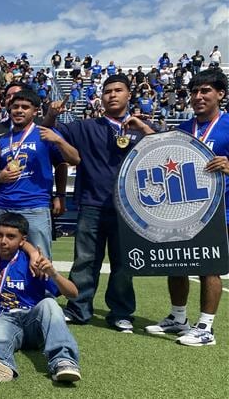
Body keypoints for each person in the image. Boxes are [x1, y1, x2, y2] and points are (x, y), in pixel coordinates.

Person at [46, 73, 155, 332]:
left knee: (123, 262)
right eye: (108, 91)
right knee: (85, 260)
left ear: (129, 95)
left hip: (129, 208)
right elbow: (48, 131)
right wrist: (51, 113)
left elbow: (164, 151)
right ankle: (78, 308)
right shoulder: (86, 127)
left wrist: (146, 130)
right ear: (101, 97)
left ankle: (121, 312)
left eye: (118, 90)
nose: (113, 95)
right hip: (91, 203)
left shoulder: (142, 128)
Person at [144, 69, 228, 346]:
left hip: (218, 211)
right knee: (176, 261)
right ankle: (179, 318)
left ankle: (206, 327)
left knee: (209, 267)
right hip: (182, 210)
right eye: (194, 92)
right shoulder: (182, 130)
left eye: (205, 91)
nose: (198, 96)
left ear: (220, 94)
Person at [0, 213, 81, 383]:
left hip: (32, 320)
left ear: (23, 240)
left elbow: (73, 293)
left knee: (49, 304)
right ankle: (1, 364)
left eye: (11, 236)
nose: (3, 241)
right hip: (5, 319)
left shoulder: (34, 263)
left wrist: (53, 274)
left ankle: (64, 361)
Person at [0, 89, 80, 258]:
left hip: (35, 205)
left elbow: (74, 160)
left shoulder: (44, 133)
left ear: (35, 111)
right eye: (15, 107)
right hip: (4, 206)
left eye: (25, 107)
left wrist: (59, 140)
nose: (19, 110)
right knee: (4, 258)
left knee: (40, 258)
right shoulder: (1, 140)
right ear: (9, 110)